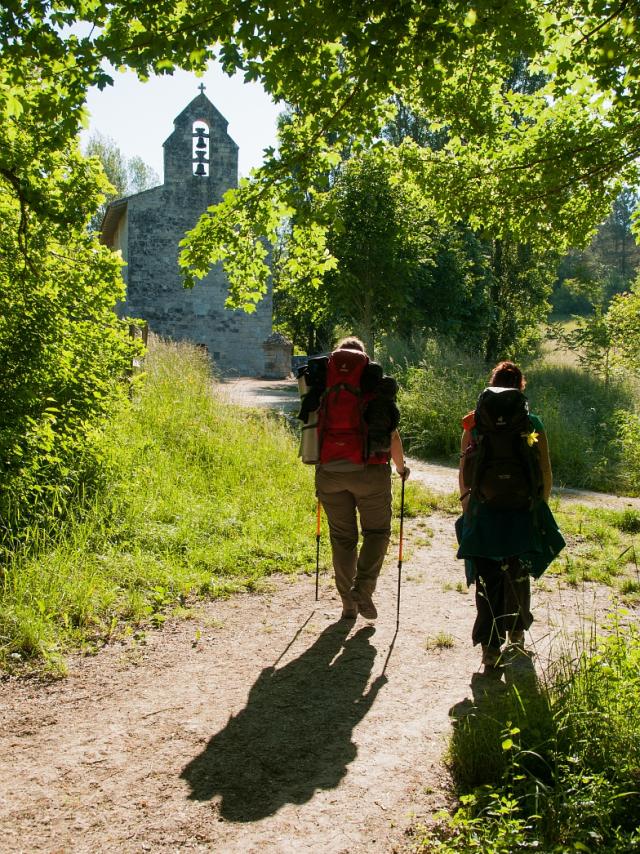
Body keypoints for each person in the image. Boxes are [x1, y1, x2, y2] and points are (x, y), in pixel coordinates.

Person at [456, 360, 564, 674]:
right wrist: (539, 506)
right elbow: (544, 469)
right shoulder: (533, 423)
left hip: (484, 509)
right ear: (520, 388)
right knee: (518, 571)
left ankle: (490, 648)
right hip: (522, 510)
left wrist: (468, 507)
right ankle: (516, 633)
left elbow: (465, 470)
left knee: (486, 576)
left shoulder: (474, 423)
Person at [314, 337, 410, 621]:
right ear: (364, 360)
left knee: (342, 539)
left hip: (330, 472)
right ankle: (363, 589)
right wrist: (401, 468)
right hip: (370, 472)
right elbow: (391, 434)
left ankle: (347, 605)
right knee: (377, 533)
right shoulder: (375, 386)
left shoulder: (323, 383)